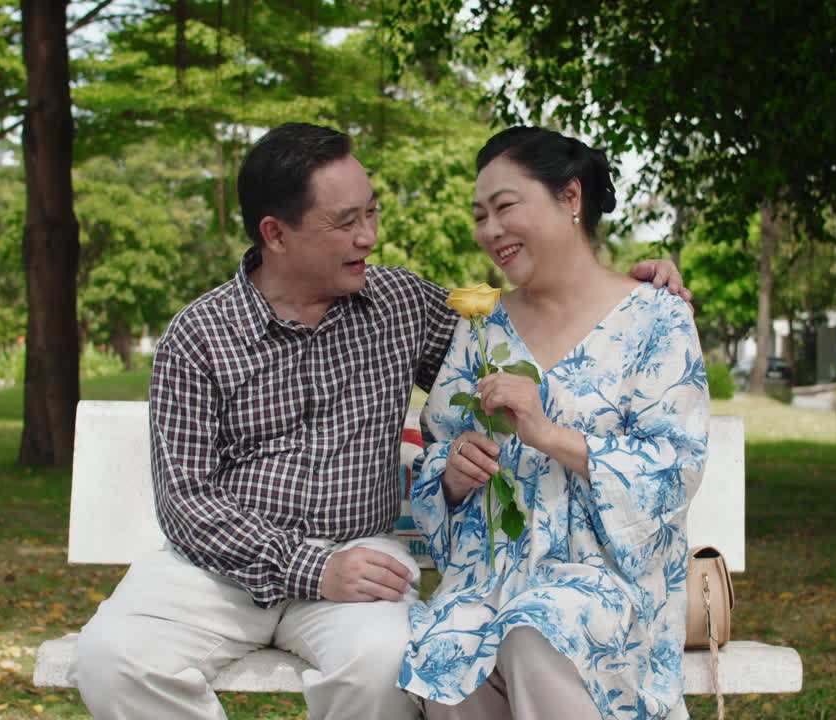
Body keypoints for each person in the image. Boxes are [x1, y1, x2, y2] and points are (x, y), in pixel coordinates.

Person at [68, 122, 691, 720]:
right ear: (275, 234)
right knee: (112, 659)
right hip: (218, 568)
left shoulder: (399, 304)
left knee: (388, 667)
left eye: (372, 213)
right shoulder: (198, 336)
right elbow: (187, 503)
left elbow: (528, 339)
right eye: (345, 222)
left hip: (360, 555)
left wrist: (638, 285)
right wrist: (311, 568)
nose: (368, 236)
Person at [398, 127, 708, 720]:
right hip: (489, 581)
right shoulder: (484, 326)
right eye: (480, 215)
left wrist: (548, 434)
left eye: (506, 207)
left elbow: (675, 470)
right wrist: (453, 474)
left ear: (570, 199)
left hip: (607, 588)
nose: (490, 231)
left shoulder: (656, 318)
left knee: (537, 632)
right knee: (451, 652)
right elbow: (440, 448)